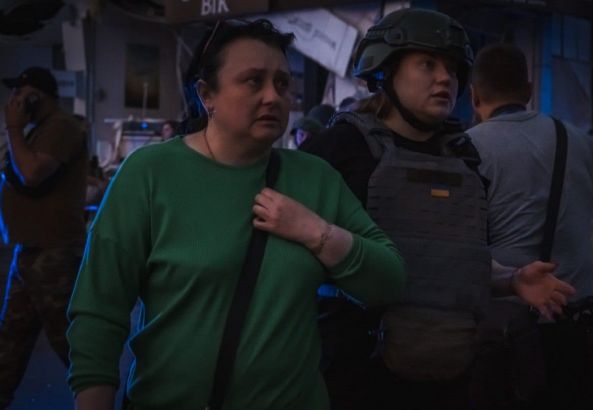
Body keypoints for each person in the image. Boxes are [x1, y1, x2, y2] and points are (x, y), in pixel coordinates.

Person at [66, 19, 406, 410]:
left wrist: (316, 232)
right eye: (253, 81)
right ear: (206, 94)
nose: (273, 96)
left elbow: (389, 281)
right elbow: (99, 309)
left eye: (282, 83)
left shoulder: (315, 179)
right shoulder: (150, 173)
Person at [300, 8, 574, 410]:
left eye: (452, 68)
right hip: (352, 379)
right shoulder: (339, 148)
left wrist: (512, 279)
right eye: (427, 64)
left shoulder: (463, 157)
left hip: (451, 379)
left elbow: (451, 260)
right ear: (385, 70)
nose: (445, 78)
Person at [466, 43, 593, 410]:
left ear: (474, 95)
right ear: (529, 90)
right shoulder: (575, 139)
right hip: (572, 330)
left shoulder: (465, 149)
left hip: (497, 337)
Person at [0, 66, 88, 409]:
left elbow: (33, 173)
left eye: (19, 94)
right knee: (10, 342)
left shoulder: (62, 127)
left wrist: (12, 128)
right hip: (29, 252)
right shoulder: (36, 130)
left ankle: (100, 398)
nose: (12, 101)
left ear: (37, 96)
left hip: (54, 254)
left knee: (70, 344)